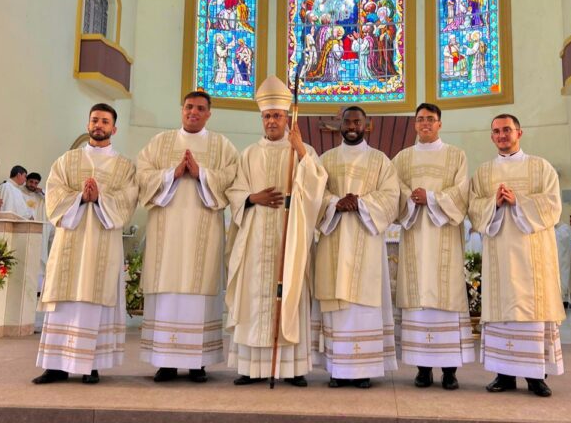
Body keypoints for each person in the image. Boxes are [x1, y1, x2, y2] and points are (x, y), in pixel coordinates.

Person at [225, 76, 327, 386]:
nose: (271, 121)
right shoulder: (249, 154)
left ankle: (291, 368)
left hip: (289, 232)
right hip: (255, 234)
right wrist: (251, 198)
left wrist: (301, 154)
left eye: (277, 116)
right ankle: (251, 367)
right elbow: (235, 189)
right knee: (254, 297)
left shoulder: (302, 150)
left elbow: (317, 188)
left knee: (290, 294)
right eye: (267, 116)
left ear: (287, 119)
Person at [136, 91, 239, 383]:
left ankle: (198, 362)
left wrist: (202, 174)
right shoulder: (160, 142)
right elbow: (142, 175)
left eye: (200, 108)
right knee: (168, 290)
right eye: (189, 107)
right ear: (181, 109)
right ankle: (165, 361)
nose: (193, 112)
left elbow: (233, 179)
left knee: (199, 289)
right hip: (165, 234)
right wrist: (172, 174)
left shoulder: (222, 145)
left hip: (203, 232)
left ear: (209, 113)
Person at [33, 103, 137, 385]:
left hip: (103, 242)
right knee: (64, 302)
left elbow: (127, 201)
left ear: (114, 129)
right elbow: (54, 195)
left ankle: (90, 365)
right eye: (95, 120)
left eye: (105, 121)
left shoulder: (124, 166)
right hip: (71, 242)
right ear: (88, 124)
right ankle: (55, 366)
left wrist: (100, 198)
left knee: (95, 301)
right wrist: (79, 197)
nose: (99, 125)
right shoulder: (66, 161)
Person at [469, 114, 564, 398]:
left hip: (533, 255)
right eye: (496, 131)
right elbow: (473, 208)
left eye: (507, 130)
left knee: (533, 313)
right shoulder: (483, 173)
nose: (502, 135)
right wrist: (493, 204)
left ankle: (536, 377)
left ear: (519, 132)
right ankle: (504, 374)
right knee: (502, 314)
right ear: (491, 137)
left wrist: (518, 201)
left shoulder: (540, 166)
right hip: (499, 254)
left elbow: (553, 205)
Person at [315, 106, 399, 389]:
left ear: (367, 125)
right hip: (335, 236)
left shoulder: (380, 160)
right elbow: (315, 192)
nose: (352, 125)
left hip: (366, 237)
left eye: (357, 121)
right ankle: (337, 369)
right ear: (339, 124)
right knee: (338, 304)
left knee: (363, 305)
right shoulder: (325, 160)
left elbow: (390, 196)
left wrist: (360, 202)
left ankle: (364, 369)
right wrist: (335, 203)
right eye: (347, 121)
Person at [392, 103, 473, 390]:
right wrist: (411, 198)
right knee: (418, 304)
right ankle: (423, 369)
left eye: (430, 119)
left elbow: (462, 191)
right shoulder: (402, 158)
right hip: (415, 235)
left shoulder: (456, 155)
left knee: (446, 301)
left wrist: (432, 198)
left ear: (440, 124)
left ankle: (450, 371)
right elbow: (394, 188)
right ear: (415, 125)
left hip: (444, 238)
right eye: (420, 120)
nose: (425, 124)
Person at [21, 172, 53, 291]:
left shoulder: (40, 195)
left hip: (38, 231)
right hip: (24, 230)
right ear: (26, 181)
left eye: (36, 183)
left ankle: (38, 289)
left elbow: (51, 199)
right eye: (31, 182)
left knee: (39, 257)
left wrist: (42, 192)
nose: (33, 185)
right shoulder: (20, 193)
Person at [555, 214, 571, 308]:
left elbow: (566, 245)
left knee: (563, 275)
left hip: (563, 260)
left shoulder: (565, 228)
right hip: (553, 261)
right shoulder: (551, 229)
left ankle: (564, 299)